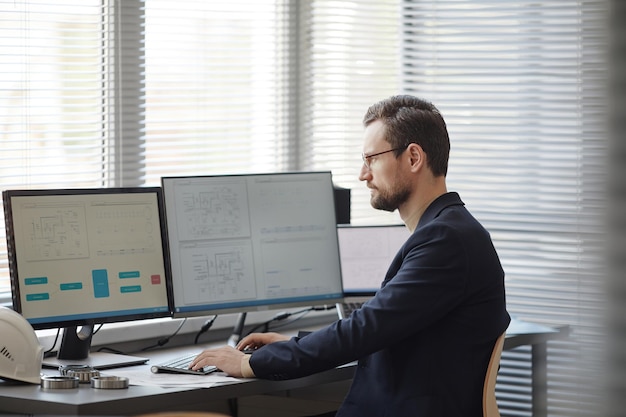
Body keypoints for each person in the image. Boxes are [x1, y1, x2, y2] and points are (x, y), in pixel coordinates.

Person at [190, 95, 510, 416]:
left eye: (371, 158)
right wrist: (293, 345)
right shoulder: (448, 231)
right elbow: (381, 327)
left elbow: (367, 327)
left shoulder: (447, 240)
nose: (363, 174)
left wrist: (250, 364)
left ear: (413, 157)